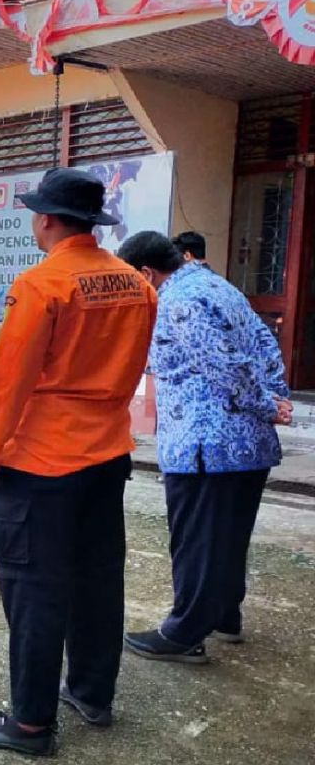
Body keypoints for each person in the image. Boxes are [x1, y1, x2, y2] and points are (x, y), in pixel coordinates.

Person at [0, 168, 156, 756]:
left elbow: (9, 380)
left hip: (43, 462)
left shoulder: (43, 284)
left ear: (44, 218)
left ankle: (28, 723)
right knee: (97, 581)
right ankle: (93, 693)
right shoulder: (137, 285)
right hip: (106, 456)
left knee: (34, 591)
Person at [117, 231, 291, 663]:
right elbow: (265, 344)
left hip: (205, 445)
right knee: (229, 537)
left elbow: (224, 364)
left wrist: (267, 404)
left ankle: (184, 633)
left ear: (146, 272)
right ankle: (224, 616)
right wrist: (274, 395)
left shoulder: (178, 300)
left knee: (195, 540)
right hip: (244, 445)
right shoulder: (219, 286)